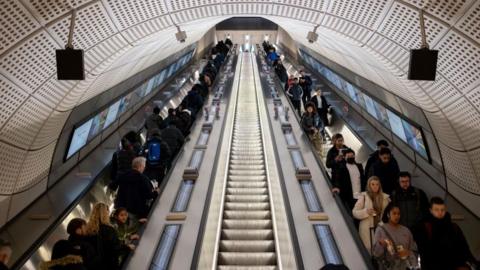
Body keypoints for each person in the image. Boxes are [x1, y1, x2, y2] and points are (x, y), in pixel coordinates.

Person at [415, 197, 477, 270]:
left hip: (455, 264)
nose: (440, 212)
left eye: (442, 210)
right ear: (430, 210)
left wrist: (474, 263)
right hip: (434, 266)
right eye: (436, 210)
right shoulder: (424, 227)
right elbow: (423, 252)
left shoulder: (454, 227)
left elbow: (464, 248)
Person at [85, 203, 133, 270]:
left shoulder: (88, 230)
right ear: (105, 214)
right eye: (107, 212)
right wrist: (127, 247)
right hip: (109, 264)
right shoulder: (108, 229)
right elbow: (115, 248)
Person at [373, 203, 418, 270]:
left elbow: (414, 250)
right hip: (389, 267)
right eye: (394, 213)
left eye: (398, 214)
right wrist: (380, 244)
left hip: (405, 266)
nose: (397, 216)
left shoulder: (406, 230)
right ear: (388, 214)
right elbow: (376, 254)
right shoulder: (381, 230)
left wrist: (408, 252)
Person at [353, 176, 390, 253]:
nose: (375, 186)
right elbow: (354, 212)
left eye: (377, 184)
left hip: (380, 226)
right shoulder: (364, 196)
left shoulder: (385, 197)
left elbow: (387, 214)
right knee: (368, 249)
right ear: (369, 185)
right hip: (367, 227)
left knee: (381, 250)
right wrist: (366, 211)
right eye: (372, 184)